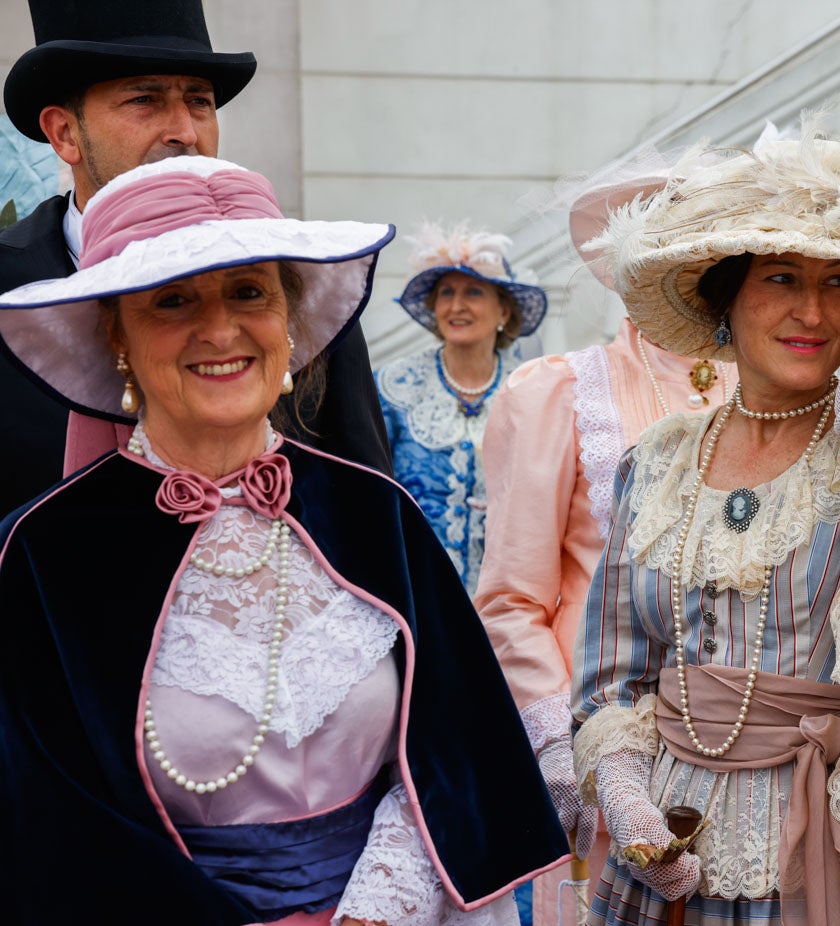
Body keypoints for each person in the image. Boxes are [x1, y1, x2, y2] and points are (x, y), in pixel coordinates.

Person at [0, 156, 568, 924]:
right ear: (118, 337)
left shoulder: (378, 514)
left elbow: (451, 752)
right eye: (172, 301)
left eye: (249, 292)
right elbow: (51, 823)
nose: (221, 328)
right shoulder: (45, 552)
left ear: (290, 319)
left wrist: (372, 913)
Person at [571, 123, 840, 926]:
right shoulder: (656, 461)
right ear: (725, 296)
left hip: (838, 842)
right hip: (668, 854)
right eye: (782, 276)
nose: (811, 310)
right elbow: (612, 678)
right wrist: (629, 806)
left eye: (837, 282)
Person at [0, 0, 391, 520]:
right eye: (145, 100)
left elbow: (367, 502)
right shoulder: (8, 289)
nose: (185, 131)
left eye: (200, 101)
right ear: (65, 134)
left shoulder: (289, 274)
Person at [474, 171, 738, 926]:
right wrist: (566, 745)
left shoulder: (769, 383)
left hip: (751, 753)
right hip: (604, 742)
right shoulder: (559, 391)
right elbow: (511, 599)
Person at [376, 224, 548, 594]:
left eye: (473, 291)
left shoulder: (532, 389)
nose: (456, 306)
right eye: (446, 293)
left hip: (506, 597)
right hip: (414, 592)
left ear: (504, 309)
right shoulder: (394, 387)